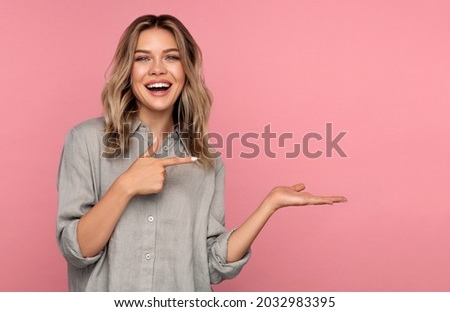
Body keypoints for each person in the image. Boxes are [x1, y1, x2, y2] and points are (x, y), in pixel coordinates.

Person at [56, 14, 347, 292]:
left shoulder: (206, 160)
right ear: (128, 71)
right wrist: (125, 186)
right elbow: (77, 250)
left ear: (186, 70)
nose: (157, 68)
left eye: (171, 57)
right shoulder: (86, 141)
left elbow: (208, 265)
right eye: (143, 58)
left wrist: (269, 205)